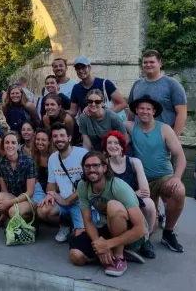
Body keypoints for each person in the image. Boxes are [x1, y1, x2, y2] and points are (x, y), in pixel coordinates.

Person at [69, 152, 149, 277]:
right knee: (76, 256)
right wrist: (99, 245)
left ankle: (119, 257)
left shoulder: (118, 186)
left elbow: (141, 229)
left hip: (132, 232)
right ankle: (110, 254)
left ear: (104, 168)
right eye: (87, 166)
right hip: (106, 227)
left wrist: (107, 244)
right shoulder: (83, 186)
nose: (91, 170)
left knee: (113, 206)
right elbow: (88, 221)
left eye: (96, 165)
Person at [125, 95, 186, 253]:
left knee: (179, 191)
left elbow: (180, 156)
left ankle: (169, 233)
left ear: (154, 112)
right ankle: (156, 221)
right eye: (141, 108)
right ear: (136, 111)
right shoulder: (130, 126)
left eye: (148, 109)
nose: (144, 111)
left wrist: (177, 178)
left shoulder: (164, 129)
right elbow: (109, 121)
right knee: (151, 226)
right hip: (142, 182)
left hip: (162, 177)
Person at [102, 131, 156, 259]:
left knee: (149, 203)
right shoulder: (104, 164)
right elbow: (106, 192)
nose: (112, 145)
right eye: (109, 143)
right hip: (114, 203)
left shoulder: (134, 162)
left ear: (122, 146)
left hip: (134, 200)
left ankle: (146, 240)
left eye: (116, 142)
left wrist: (128, 195)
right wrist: (132, 193)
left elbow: (145, 191)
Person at [37, 123, 89, 242]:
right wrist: (50, 194)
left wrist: (67, 201)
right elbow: (51, 183)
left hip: (80, 201)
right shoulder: (53, 158)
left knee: (81, 239)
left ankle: (77, 225)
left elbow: (88, 184)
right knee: (42, 210)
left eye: (62, 135)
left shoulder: (82, 154)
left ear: (69, 138)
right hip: (63, 200)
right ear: (52, 140)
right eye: (55, 136)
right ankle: (65, 223)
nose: (59, 139)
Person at [128, 50, 187, 138]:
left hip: (162, 137)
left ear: (160, 63)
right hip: (138, 137)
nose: (148, 65)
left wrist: (174, 138)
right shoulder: (137, 84)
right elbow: (131, 111)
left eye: (152, 62)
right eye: (145, 62)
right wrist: (130, 133)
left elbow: (182, 113)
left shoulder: (173, 85)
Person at [0, 132, 36, 225]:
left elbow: (30, 193)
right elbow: (4, 190)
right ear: (3, 145)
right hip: (14, 196)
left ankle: (33, 221)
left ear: (18, 145)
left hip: (29, 199)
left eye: (13, 142)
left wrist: (9, 203)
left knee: (13, 211)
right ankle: (11, 216)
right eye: (7, 142)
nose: (10, 145)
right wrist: (4, 210)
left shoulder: (28, 161)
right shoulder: (1, 163)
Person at [32, 128, 55, 207]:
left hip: (53, 190)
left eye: (43, 140)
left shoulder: (55, 157)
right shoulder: (33, 155)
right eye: (38, 139)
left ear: (49, 142)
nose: (40, 142)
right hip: (38, 189)